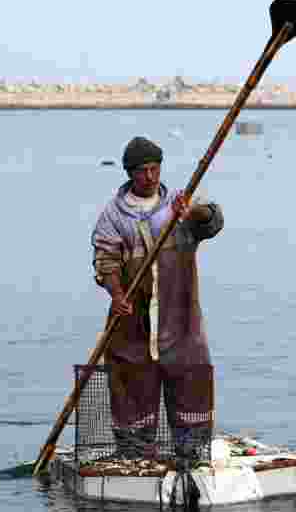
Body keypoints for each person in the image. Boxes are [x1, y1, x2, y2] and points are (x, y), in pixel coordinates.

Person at [91, 136, 224, 459]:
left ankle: (191, 451)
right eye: (142, 171)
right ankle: (137, 453)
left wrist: (191, 213)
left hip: (179, 316)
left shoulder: (179, 204)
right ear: (130, 174)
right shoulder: (113, 215)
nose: (150, 177)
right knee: (132, 380)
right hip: (132, 318)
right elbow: (105, 259)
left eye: (155, 169)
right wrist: (117, 294)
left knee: (190, 375)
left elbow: (212, 221)